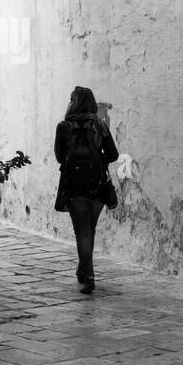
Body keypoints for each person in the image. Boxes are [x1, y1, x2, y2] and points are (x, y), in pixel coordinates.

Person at [54, 86, 119, 294]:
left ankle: (88, 276)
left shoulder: (64, 127)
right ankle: (84, 270)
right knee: (89, 230)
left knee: (82, 232)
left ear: (73, 103)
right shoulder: (99, 124)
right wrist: (97, 159)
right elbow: (113, 154)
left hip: (74, 186)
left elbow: (59, 156)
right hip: (97, 184)